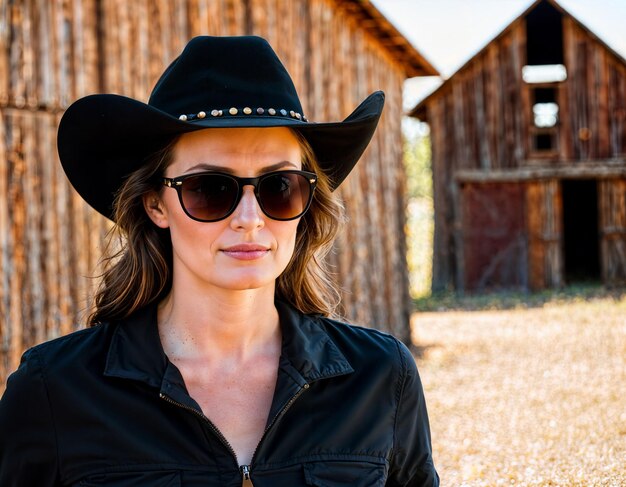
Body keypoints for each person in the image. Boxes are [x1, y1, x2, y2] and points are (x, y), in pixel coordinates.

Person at [0, 36, 438, 486]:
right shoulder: (55, 390)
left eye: (279, 187)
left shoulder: (380, 377)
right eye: (210, 189)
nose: (250, 220)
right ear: (155, 204)